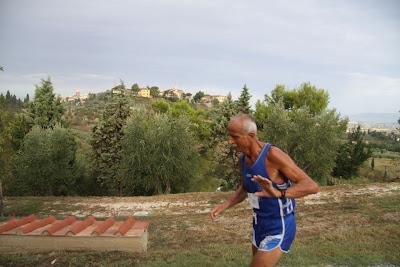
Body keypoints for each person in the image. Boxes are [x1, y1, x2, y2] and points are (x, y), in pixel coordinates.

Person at [210, 114, 320, 267]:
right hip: (259, 225)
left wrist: (280, 193)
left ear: (251, 136)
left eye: (234, 137)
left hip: (278, 226)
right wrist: (225, 205)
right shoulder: (244, 159)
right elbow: (246, 187)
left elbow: (311, 185)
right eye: (229, 136)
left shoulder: (273, 155)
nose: (229, 141)